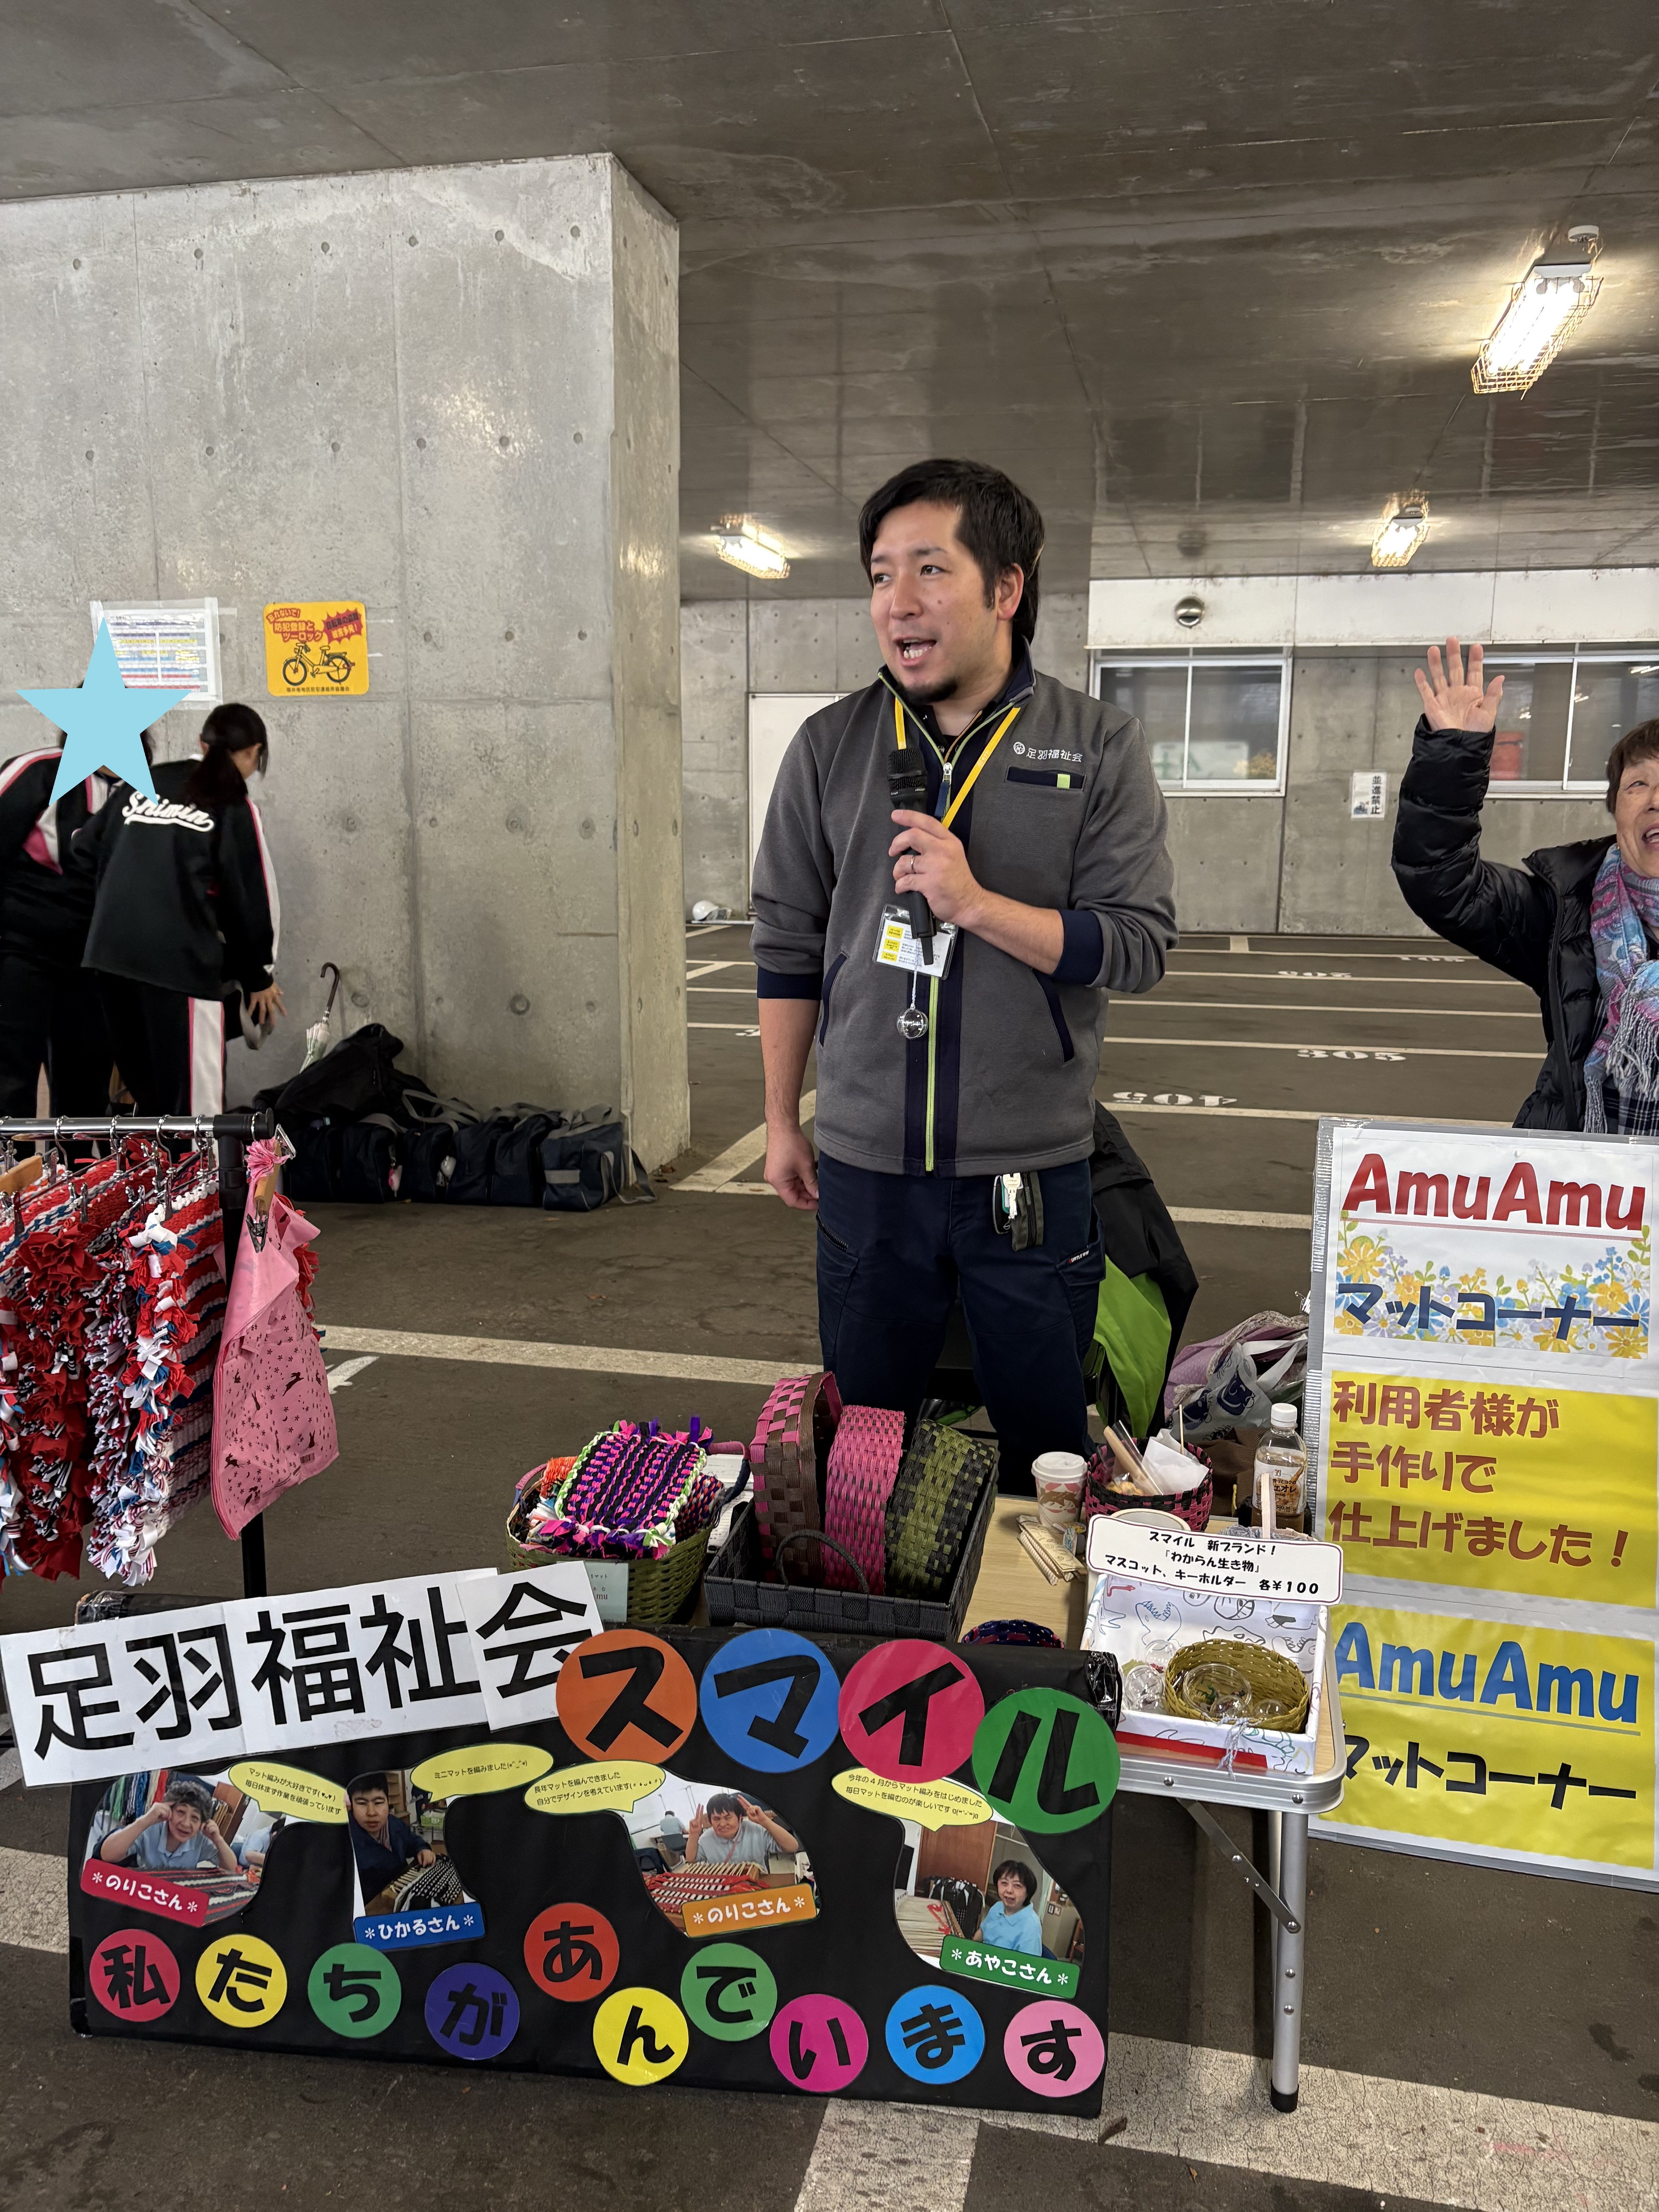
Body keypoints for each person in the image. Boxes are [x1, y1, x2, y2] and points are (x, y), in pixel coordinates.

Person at [752, 457, 1176, 1489]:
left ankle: (1035, 1596)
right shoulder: (829, 746)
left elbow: (1136, 944)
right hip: (864, 1169)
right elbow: (786, 943)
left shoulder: (1096, 746)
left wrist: (978, 905)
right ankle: (880, 1594)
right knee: (864, 1453)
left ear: (1007, 588)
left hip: (1026, 1172)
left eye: (930, 569)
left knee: (1048, 1457)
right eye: (880, 574)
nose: (897, 601)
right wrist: (780, 1119)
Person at [1393, 639, 1659, 1131]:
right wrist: (1452, 754)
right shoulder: (1569, 911)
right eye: (1637, 784)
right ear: (1617, 808)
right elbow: (1442, 880)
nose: (1655, 800)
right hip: (1580, 1174)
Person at [72, 702, 284, 1115]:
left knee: (152, 1104)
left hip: (110, 960)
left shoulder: (144, 782)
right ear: (253, 752)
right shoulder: (232, 805)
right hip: (179, 966)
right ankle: (197, 1164)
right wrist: (258, 976)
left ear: (202, 744)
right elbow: (248, 897)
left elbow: (83, 848)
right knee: (196, 1113)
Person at [0, 735, 117, 1116]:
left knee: (85, 1087)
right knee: (10, 1077)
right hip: (21, 947)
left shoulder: (138, 792)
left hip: (92, 960)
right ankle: (8, 1154)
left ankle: (74, 1157)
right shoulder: (39, 771)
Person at [98, 1776, 239, 1875]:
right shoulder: (150, 1828)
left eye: (195, 1818)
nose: (186, 1823)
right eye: (181, 1812)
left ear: (202, 1823)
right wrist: (145, 1820)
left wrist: (218, 1839)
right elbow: (107, 1855)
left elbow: (232, 1870)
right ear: (169, 1810)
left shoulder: (201, 1840)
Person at [345, 1773, 435, 1898]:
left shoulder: (394, 1824)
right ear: (352, 1806)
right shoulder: (343, 1840)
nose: (371, 1813)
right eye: (362, 1803)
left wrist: (422, 1849)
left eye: (378, 1803)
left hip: (407, 1895)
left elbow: (413, 1841)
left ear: (388, 1802)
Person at [687, 1792, 800, 1866]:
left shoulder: (756, 1831)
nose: (723, 1824)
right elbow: (691, 1859)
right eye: (717, 1819)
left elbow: (792, 1847)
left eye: (728, 1818)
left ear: (740, 1817)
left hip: (756, 1886)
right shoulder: (706, 1839)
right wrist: (694, 1835)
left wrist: (765, 1821)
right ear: (711, 1821)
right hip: (723, 1889)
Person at [978, 1857, 1042, 1954]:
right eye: (1004, 1883)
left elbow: (1027, 1963)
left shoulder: (1032, 1926)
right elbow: (982, 1932)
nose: (1009, 1891)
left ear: (1028, 1892)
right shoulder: (997, 1907)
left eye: (1017, 1886)